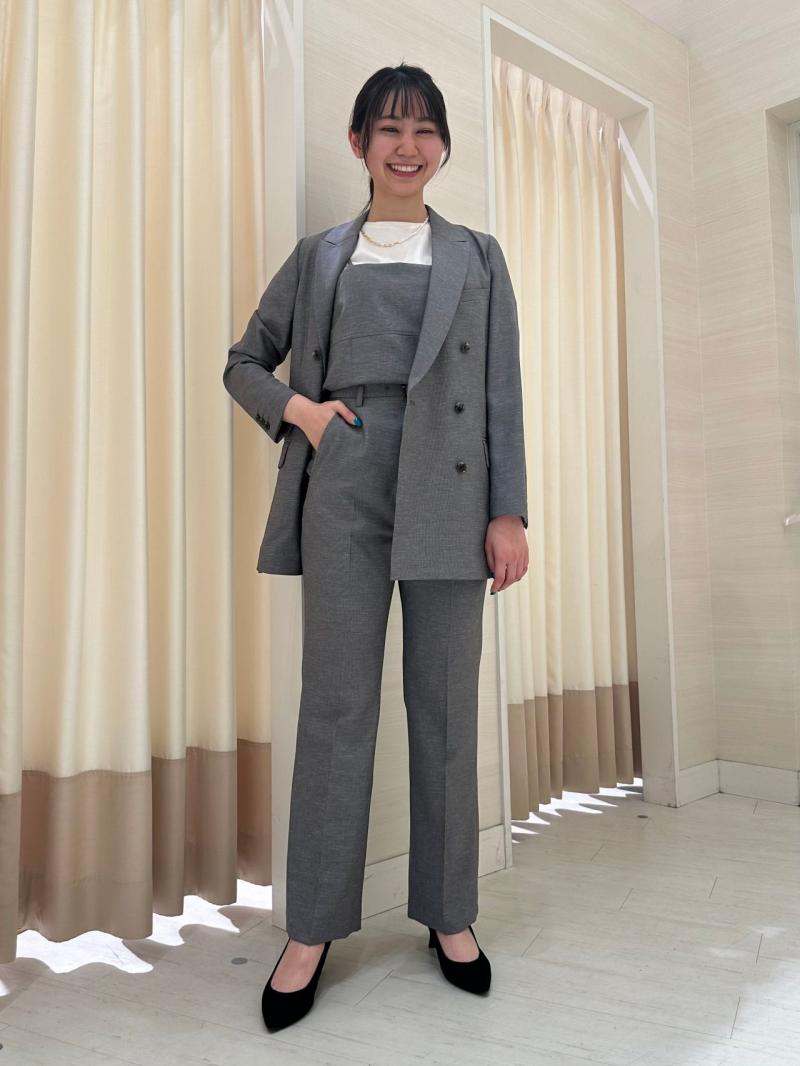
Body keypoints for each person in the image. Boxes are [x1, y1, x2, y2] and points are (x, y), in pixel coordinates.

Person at [223, 62, 528, 1033]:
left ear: (442, 147)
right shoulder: (319, 255)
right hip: (345, 484)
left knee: (444, 710)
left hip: (453, 491)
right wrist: (304, 413)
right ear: (358, 143)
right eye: (388, 128)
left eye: (424, 129)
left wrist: (508, 512)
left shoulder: (478, 256)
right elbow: (243, 361)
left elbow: (502, 393)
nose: (407, 146)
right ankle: (310, 930)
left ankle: (449, 915)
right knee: (336, 710)